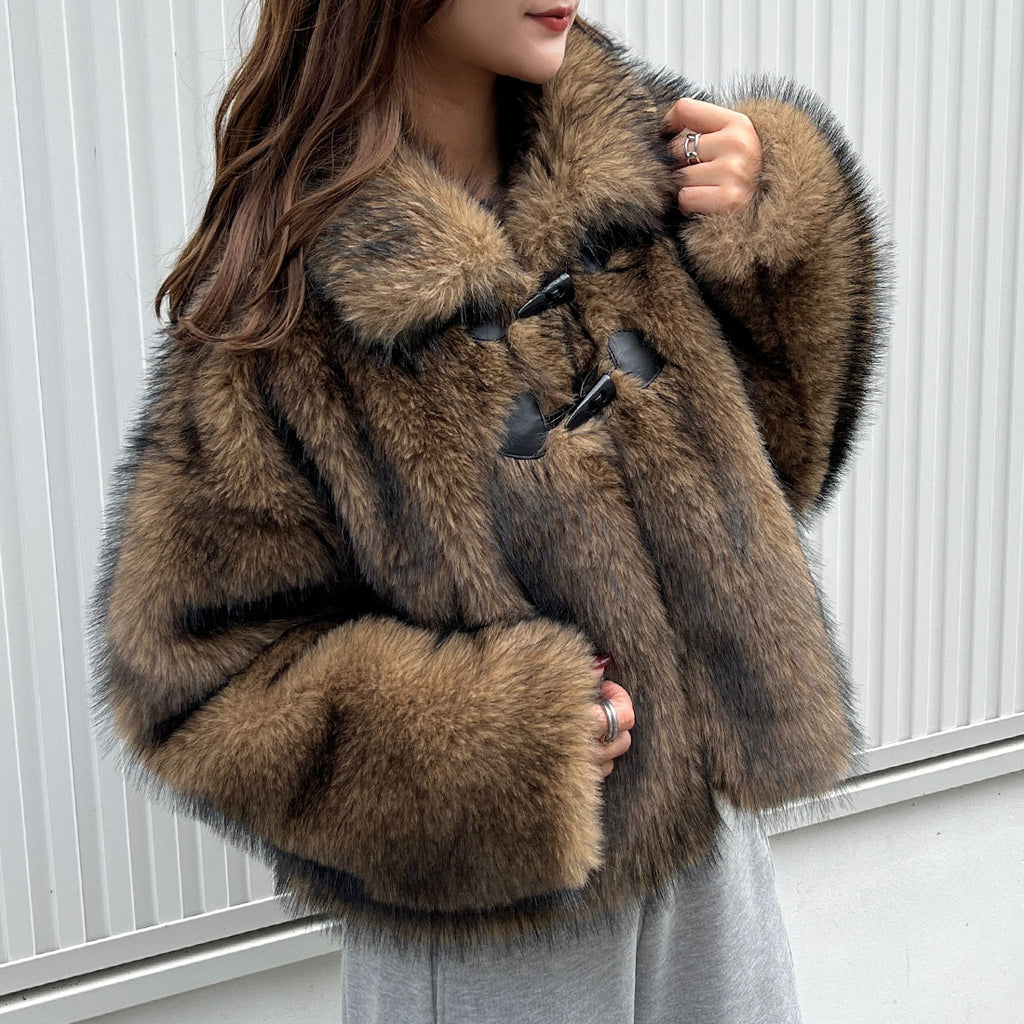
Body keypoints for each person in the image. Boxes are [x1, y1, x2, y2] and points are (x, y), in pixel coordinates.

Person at [89, 1, 889, 1021]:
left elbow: (784, 467)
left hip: (708, 871)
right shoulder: (290, 297)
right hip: (491, 929)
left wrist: (777, 246)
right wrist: (497, 745)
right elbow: (190, 683)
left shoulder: (644, 169)